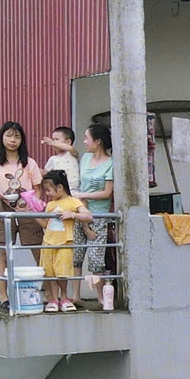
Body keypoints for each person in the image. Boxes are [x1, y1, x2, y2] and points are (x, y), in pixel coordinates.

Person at [0, 121, 43, 296]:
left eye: (17, 136)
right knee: (3, 254)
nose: (13, 140)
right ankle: (4, 296)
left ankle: (47, 293)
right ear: (2, 138)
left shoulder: (29, 163)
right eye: (9, 135)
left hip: (29, 212)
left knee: (39, 252)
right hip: (4, 210)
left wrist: (33, 204)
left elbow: (38, 188)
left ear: (22, 140)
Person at [76, 123, 116, 310]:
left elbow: (107, 193)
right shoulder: (84, 158)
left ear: (98, 141)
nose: (84, 142)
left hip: (99, 214)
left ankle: (101, 297)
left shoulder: (111, 163)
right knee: (76, 255)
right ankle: (75, 295)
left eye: (86, 138)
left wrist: (82, 196)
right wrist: (81, 204)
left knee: (96, 257)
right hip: (81, 211)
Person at [36, 171, 87, 311]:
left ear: (60, 187)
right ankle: (53, 299)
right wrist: (32, 213)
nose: (47, 193)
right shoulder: (50, 204)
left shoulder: (73, 201)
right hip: (48, 242)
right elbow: (46, 224)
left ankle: (64, 297)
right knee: (50, 272)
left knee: (62, 271)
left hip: (65, 242)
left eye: (49, 190)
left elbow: (88, 216)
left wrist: (73, 214)